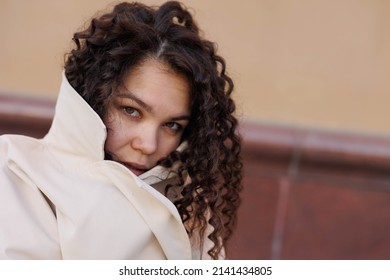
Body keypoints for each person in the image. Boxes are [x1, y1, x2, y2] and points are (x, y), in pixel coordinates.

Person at [0, 1, 242, 260]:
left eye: (172, 125)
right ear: (94, 99)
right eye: (132, 111)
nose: (148, 145)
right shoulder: (17, 174)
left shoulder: (186, 207)